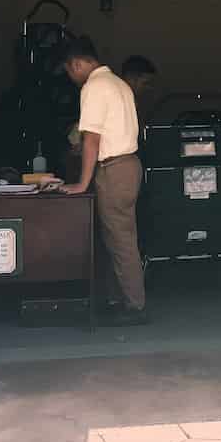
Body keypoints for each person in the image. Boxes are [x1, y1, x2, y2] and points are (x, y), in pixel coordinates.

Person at [59, 37, 147, 325]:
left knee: (121, 240)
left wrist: (82, 183)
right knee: (117, 236)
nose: (71, 78)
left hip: (114, 169)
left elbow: (92, 140)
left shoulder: (94, 87)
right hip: (129, 166)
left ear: (77, 63)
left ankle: (134, 306)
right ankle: (117, 299)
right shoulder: (119, 83)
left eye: (70, 71)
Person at [121, 54, 158, 126]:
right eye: (145, 83)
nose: (149, 88)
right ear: (131, 79)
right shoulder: (118, 104)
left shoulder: (133, 103)